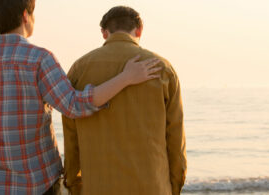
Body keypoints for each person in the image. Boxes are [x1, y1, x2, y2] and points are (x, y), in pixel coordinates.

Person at [0, 1, 161, 194]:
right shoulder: (38, 59)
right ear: (25, 16)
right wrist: (125, 78)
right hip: (39, 185)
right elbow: (74, 105)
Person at [62, 6, 187, 195]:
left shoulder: (80, 69)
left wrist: (74, 184)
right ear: (139, 30)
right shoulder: (162, 69)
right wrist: (174, 185)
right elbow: (175, 137)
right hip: (153, 187)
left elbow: (71, 138)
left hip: (97, 188)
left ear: (104, 33)